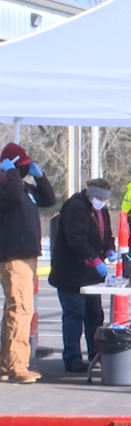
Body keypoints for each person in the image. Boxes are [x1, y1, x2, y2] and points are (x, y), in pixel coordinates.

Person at [0, 142, 56, 384]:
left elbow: (49, 199)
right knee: (21, 310)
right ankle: (17, 366)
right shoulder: (7, 188)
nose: (24, 171)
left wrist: (40, 176)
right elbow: (11, 198)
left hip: (26, 256)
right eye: (21, 167)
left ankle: (6, 363)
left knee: (17, 310)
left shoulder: (24, 189)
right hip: (14, 256)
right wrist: (11, 172)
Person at [49, 179, 116, 372]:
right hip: (71, 273)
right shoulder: (75, 207)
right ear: (91, 194)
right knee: (74, 315)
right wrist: (93, 258)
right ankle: (72, 358)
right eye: (100, 197)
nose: (102, 201)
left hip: (91, 276)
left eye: (105, 199)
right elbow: (77, 239)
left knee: (95, 315)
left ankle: (96, 353)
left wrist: (109, 250)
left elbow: (106, 234)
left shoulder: (101, 210)